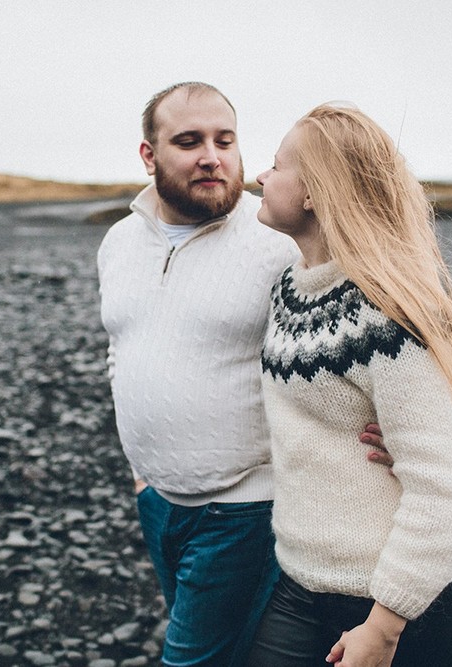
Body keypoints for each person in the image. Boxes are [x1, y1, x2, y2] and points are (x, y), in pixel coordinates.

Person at [96, 82, 389, 667]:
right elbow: (121, 349)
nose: (212, 155)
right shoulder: (118, 241)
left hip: (247, 507)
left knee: (191, 659)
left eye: (224, 140)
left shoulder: (279, 240)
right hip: (157, 500)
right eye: (189, 141)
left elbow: (379, 327)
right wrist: (141, 476)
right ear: (149, 156)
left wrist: (398, 420)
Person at [245, 102, 452, 667]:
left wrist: (383, 627)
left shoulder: (388, 314)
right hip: (297, 581)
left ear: (313, 192)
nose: (259, 175)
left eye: (277, 165)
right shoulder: (291, 287)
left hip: (386, 604)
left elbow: (449, 487)